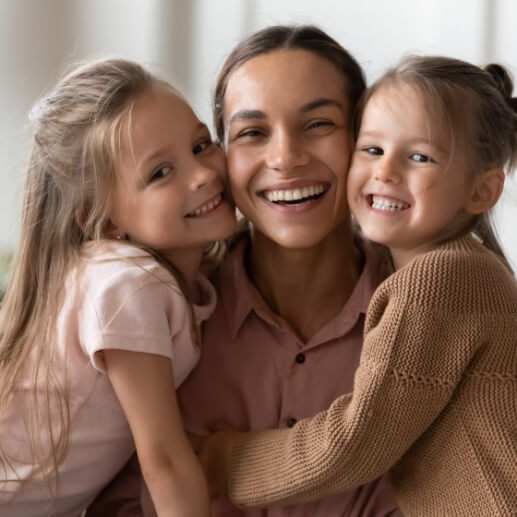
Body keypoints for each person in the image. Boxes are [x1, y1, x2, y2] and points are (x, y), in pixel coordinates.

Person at [87, 25, 402, 517]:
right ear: (222, 156)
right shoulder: (159, 318)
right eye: (252, 133)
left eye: (318, 124)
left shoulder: (424, 319)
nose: (286, 158)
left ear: (364, 139)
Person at [196, 56, 517, 516]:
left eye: (420, 157)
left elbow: (358, 438)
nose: (385, 173)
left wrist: (227, 459)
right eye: (372, 150)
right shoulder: (457, 272)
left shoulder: (441, 278)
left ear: (482, 192)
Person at [0, 57, 236, 516]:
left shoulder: (179, 276)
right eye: (160, 173)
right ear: (106, 222)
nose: (204, 173)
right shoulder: (129, 286)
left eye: (201, 145)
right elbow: (165, 461)